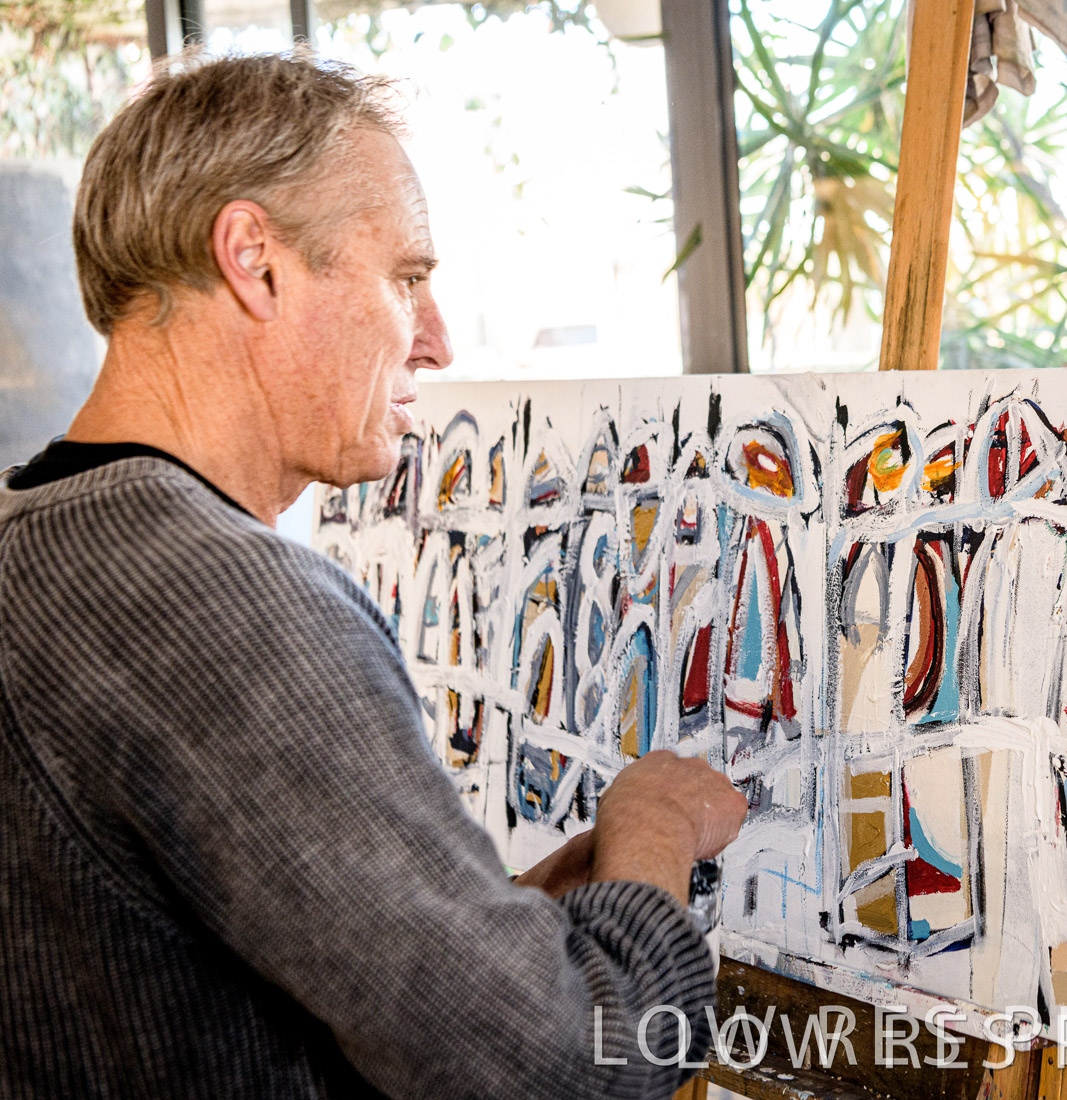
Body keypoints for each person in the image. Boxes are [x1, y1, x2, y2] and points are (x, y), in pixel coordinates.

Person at [0, 50, 747, 1099]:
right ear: (254, 260)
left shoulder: (31, 542)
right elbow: (573, 1066)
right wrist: (655, 829)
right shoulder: (237, 606)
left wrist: (492, 928)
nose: (435, 342)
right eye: (405, 278)